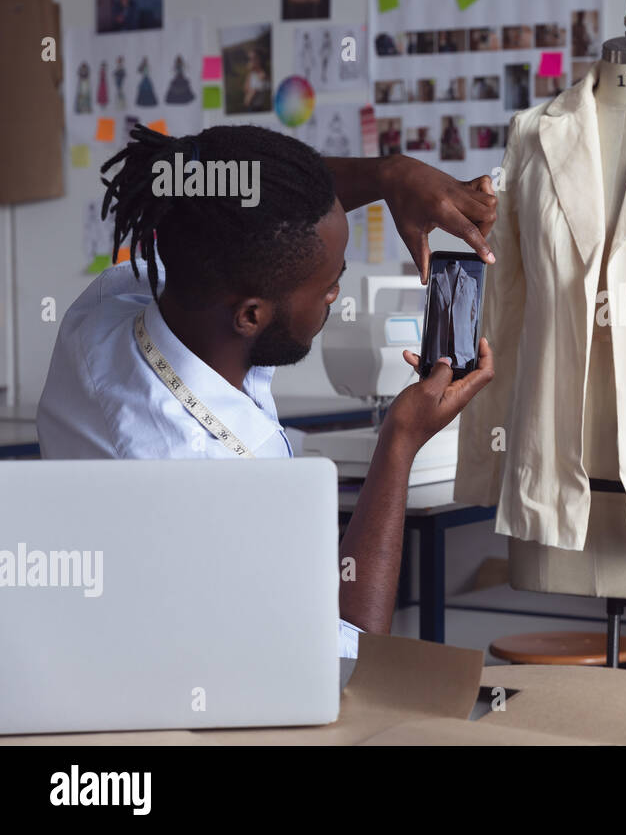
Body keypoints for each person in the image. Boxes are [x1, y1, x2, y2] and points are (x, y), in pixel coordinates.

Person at [37, 123, 499, 656]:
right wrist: (398, 445)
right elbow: (345, 659)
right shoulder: (192, 478)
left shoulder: (114, 303)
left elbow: (224, 195)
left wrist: (390, 175)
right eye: (328, 287)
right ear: (251, 315)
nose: (335, 295)